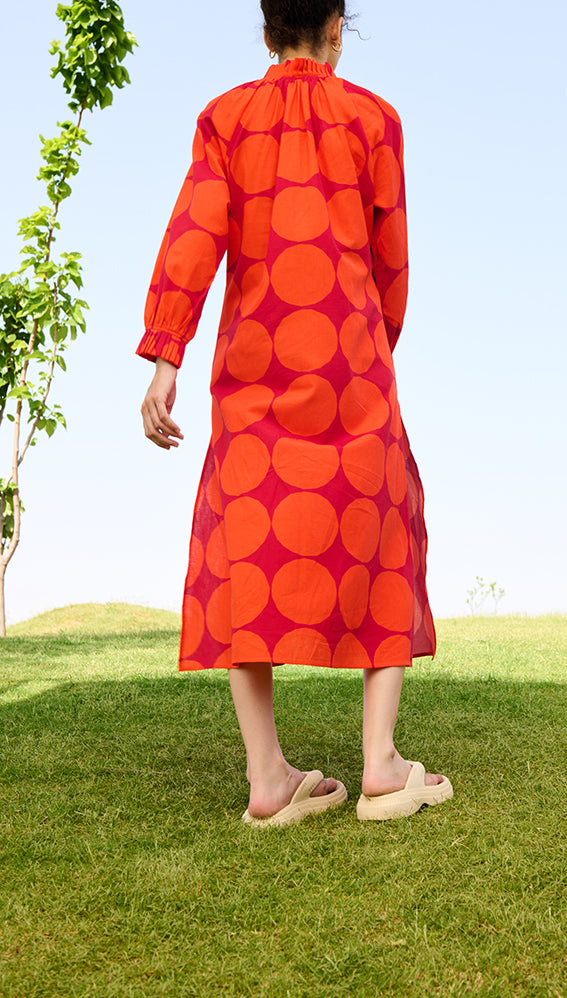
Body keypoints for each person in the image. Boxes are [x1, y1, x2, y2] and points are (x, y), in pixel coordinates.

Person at [138, 0, 452, 825]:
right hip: (351, 362)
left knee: (245, 540)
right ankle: (381, 764)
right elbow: (391, 256)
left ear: (268, 27)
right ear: (339, 25)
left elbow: (194, 236)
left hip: (254, 369)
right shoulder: (374, 119)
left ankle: (267, 777)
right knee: (387, 531)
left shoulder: (225, 118)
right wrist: (373, 347)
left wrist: (167, 354)